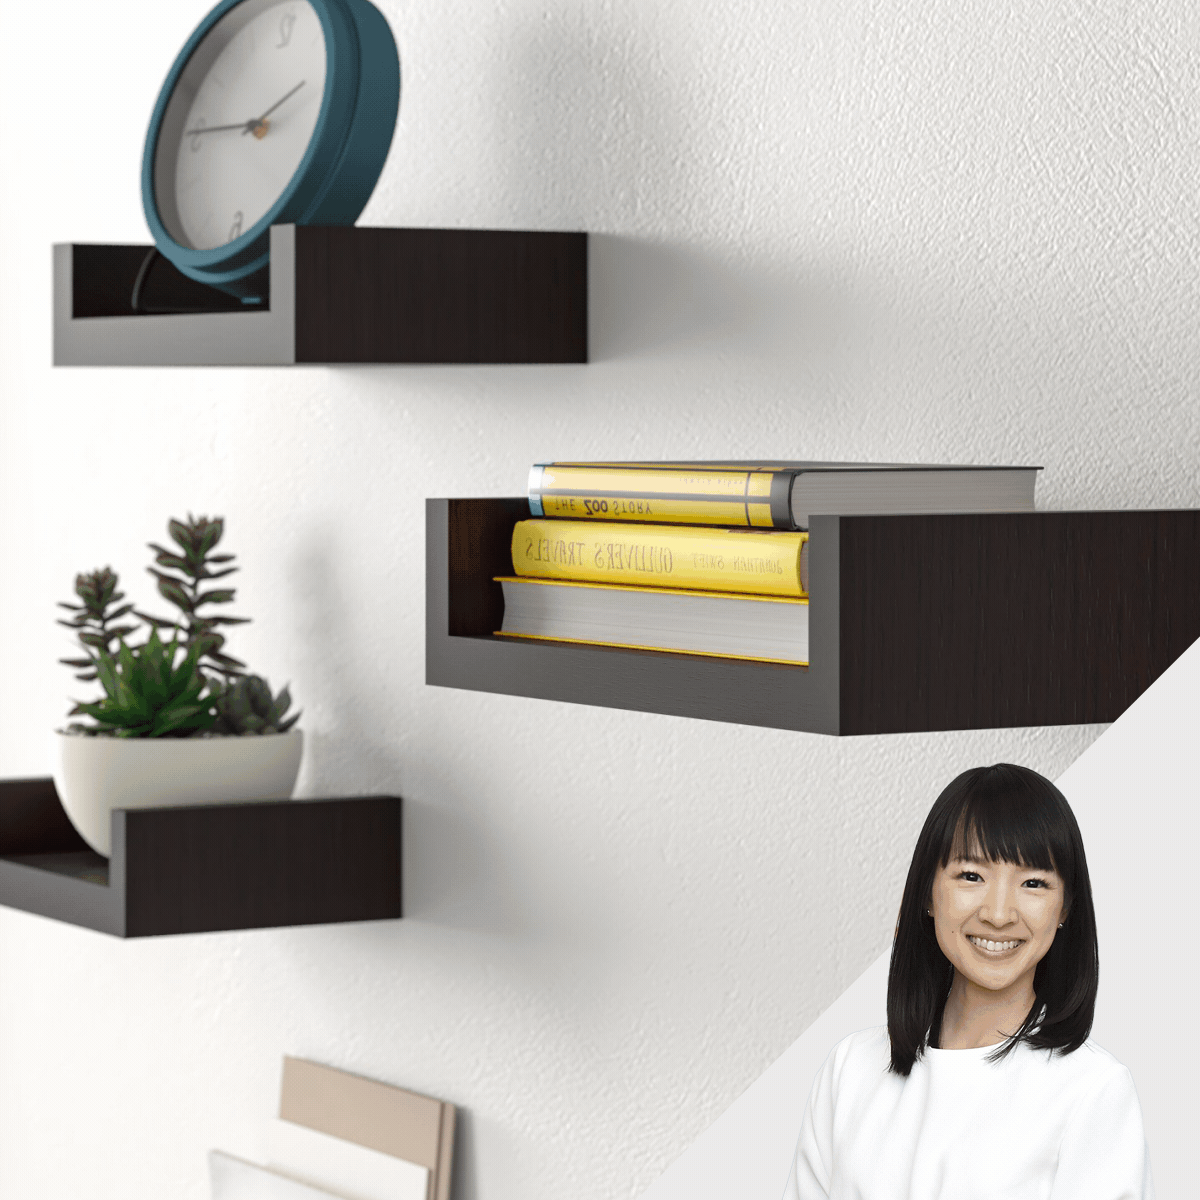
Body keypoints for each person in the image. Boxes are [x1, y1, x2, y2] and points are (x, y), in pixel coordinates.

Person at [782, 763, 1153, 1199]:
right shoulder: (850, 1070)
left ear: (1065, 908)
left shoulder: (1093, 1090)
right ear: (927, 893)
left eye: (1033, 883)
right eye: (971, 876)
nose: (998, 914)